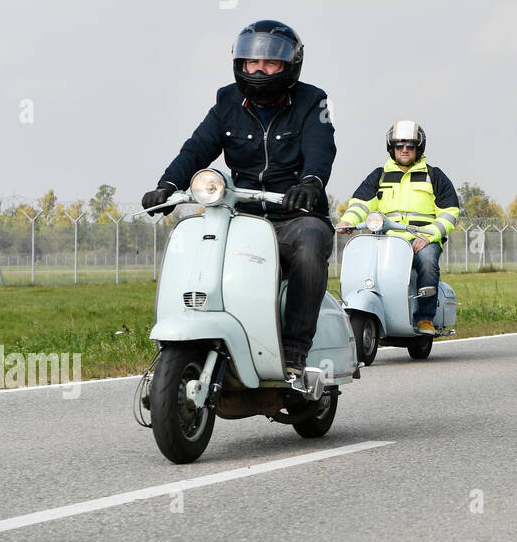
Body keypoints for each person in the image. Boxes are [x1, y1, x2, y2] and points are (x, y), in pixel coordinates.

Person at [142, 20, 335, 379]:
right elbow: (197, 147)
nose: (260, 70)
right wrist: (167, 184)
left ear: (290, 66)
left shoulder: (313, 101)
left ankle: (294, 350)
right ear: (240, 64)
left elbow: (321, 147)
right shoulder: (226, 101)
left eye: (271, 63)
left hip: (295, 215)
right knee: (197, 241)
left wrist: (311, 183)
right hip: (242, 218)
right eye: (252, 62)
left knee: (310, 244)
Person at [336, 121, 460, 335]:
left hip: (422, 239)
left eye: (410, 145)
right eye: (399, 145)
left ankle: (425, 318)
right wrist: (347, 221)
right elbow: (361, 203)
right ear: (391, 147)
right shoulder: (380, 175)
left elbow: (450, 212)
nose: (404, 149)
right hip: (386, 239)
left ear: (418, 148)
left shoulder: (434, 176)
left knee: (428, 262)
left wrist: (429, 236)